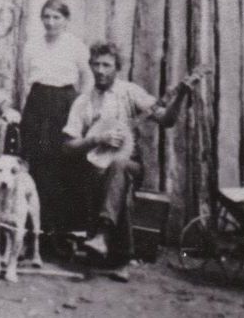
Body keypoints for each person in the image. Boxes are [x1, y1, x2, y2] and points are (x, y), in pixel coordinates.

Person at [62, 41, 185, 283]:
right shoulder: (83, 101)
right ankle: (122, 259)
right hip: (95, 166)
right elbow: (67, 146)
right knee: (116, 179)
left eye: (107, 65)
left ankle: (102, 236)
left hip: (131, 164)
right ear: (90, 66)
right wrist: (96, 139)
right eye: (96, 64)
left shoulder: (130, 92)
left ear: (117, 67)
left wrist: (180, 96)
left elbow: (167, 120)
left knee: (118, 168)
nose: (100, 70)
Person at [19, 0, 92, 236]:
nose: (50, 22)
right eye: (46, 17)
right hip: (37, 101)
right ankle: (34, 227)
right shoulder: (32, 45)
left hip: (64, 102)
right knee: (35, 156)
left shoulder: (75, 45)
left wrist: (81, 105)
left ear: (66, 20)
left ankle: (58, 230)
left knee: (60, 160)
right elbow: (26, 79)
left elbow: (87, 78)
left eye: (56, 17)